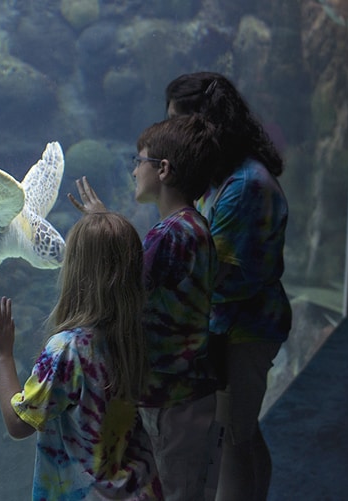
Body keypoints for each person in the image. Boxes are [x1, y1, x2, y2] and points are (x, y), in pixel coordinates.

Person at [69, 114, 221, 501]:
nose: (135, 170)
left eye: (139, 161)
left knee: (175, 491)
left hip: (173, 401)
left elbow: (124, 294)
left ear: (164, 169)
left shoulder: (171, 234)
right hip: (185, 395)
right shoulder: (194, 227)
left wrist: (105, 230)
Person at [165, 71, 292, 501]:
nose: (171, 132)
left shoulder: (244, 186)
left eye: (176, 121)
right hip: (233, 328)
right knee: (243, 430)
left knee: (233, 437)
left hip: (244, 330)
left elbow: (219, 276)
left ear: (204, 123)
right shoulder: (221, 177)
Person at [0, 211, 161, 500]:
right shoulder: (136, 338)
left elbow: (19, 425)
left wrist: (2, 355)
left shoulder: (68, 349)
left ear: (76, 272)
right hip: (140, 488)